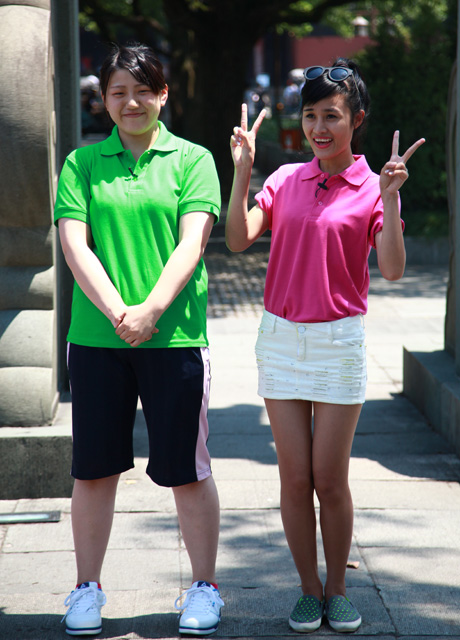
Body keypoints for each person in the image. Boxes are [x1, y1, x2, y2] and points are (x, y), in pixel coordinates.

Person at [226, 59, 425, 633]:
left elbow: (392, 270)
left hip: (339, 343)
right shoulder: (285, 179)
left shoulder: (373, 186)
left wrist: (390, 198)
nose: (318, 127)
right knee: (294, 480)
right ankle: (308, 591)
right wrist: (243, 172)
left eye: (331, 116)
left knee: (330, 480)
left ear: (356, 120)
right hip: (280, 340)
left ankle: (337, 589)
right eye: (310, 115)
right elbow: (237, 239)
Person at [55, 43, 224, 637]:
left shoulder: (193, 159)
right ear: (103, 100)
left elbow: (192, 242)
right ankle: (86, 588)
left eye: (143, 91)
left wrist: (150, 311)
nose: (132, 102)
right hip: (96, 339)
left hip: (175, 338)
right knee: (93, 469)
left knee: (187, 469)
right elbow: (75, 246)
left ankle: (204, 587)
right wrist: (118, 312)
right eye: (119, 92)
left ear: (163, 95)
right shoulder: (81, 164)